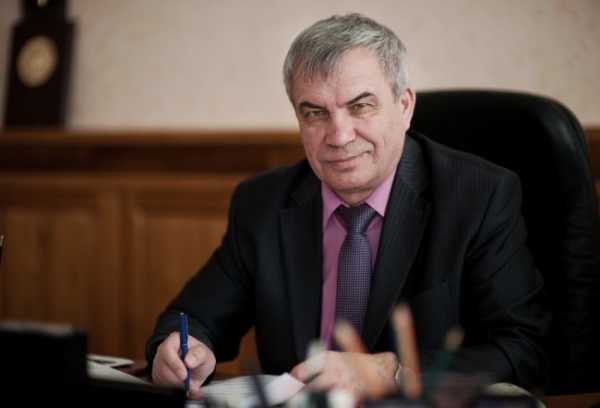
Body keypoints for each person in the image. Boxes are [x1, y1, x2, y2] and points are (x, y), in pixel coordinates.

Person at [146, 13, 550, 398]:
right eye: (315, 113)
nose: (339, 136)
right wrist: (183, 350)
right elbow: (194, 318)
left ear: (404, 106)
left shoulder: (478, 197)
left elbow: (524, 350)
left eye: (361, 106)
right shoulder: (263, 203)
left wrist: (392, 372)